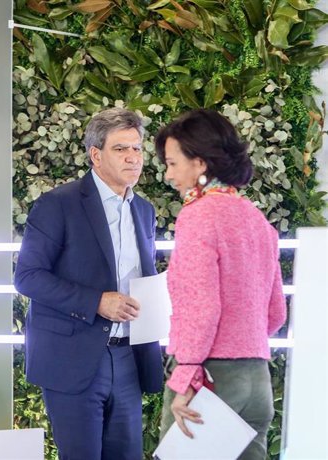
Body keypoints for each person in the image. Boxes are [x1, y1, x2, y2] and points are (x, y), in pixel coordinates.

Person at [15, 107, 164, 460]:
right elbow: (27, 277)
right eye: (121, 149)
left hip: (128, 356)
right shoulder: (58, 205)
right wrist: (96, 300)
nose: (133, 158)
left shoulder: (144, 210)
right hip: (74, 359)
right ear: (96, 155)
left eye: (138, 149)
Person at [155, 109, 287, 459]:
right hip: (257, 381)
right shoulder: (258, 220)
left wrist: (185, 377)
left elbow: (202, 307)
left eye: (172, 163)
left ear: (199, 163)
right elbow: (275, 313)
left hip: (210, 380)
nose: (169, 175)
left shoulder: (198, 217)